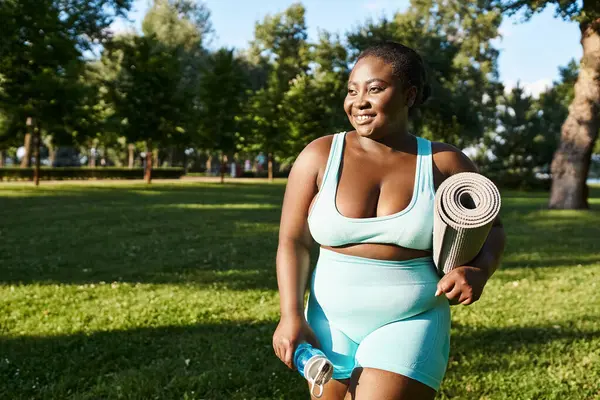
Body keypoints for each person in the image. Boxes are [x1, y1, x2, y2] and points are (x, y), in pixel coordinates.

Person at [272, 41, 506, 400]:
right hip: (328, 322)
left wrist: (479, 270)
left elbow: (494, 228)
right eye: (352, 90)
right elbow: (294, 241)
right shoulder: (319, 155)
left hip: (412, 319)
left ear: (409, 95)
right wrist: (291, 314)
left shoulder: (444, 162)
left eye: (375, 89)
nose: (359, 101)